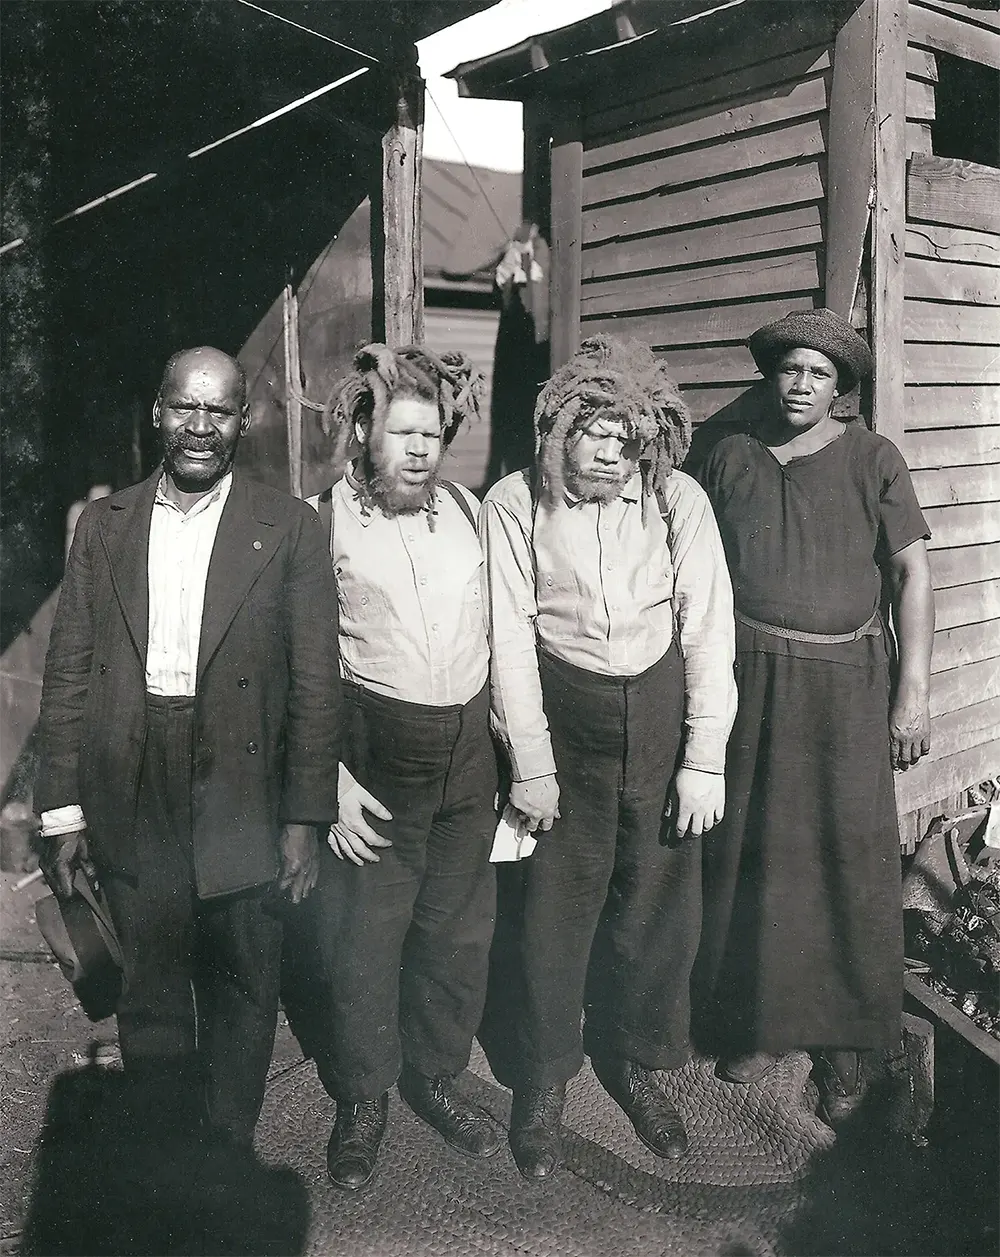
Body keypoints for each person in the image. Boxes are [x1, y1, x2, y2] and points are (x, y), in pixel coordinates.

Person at [35, 346, 341, 1154]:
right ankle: (166, 1147)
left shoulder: (290, 528)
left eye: (219, 410)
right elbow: (68, 672)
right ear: (158, 413)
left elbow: (316, 685)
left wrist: (305, 817)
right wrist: (61, 811)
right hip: (133, 777)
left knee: (244, 975)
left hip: (242, 781)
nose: (200, 426)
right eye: (185, 407)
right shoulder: (103, 525)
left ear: (245, 420)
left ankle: (226, 1147)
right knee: (149, 978)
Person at [479, 334, 737, 1179]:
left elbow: (708, 628)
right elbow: (508, 639)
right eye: (594, 431)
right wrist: (531, 763)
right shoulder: (515, 501)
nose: (611, 452)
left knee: (658, 905)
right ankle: (544, 1075)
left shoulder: (677, 500)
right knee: (554, 907)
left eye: (629, 437)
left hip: (659, 715)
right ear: (561, 425)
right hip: (565, 715)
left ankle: (635, 1060)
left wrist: (703, 757)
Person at [688, 308, 934, 1123]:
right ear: (771, 376)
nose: (801, 384)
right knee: (757, 851)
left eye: (818, 373)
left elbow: (913, 576)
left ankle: (847, 1045)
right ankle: (763, 1023)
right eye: (790, 369)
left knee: (844, 858)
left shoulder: (873, 459)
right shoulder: (729, 454)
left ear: (840, 388)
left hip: (847, 687)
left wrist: (913, 693)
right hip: (749, 677)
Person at [306, 343, 500, 1192]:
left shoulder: (467, 511)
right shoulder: (320, 521)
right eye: (403, 433)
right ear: (363, 431)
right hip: (374, 753)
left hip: (468, 752)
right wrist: (327, 779)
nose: (421, 450)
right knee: (365, 934)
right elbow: (299, 667)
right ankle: (362, 1094)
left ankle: (437, 1074)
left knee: (455, 930)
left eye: (433, 433)